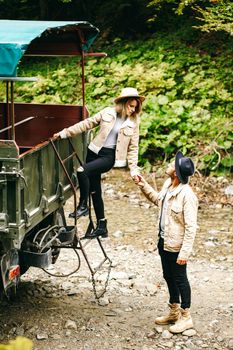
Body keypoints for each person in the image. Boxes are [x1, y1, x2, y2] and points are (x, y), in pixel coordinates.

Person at [53, 87, 145, 239]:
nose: (133, 109)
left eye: (135, 106)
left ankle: (83, 206)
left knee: (82, 171)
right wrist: (64, 133)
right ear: (123, 103)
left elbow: (134, 148)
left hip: (108, 157)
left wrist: (134, 170)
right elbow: (87, 124)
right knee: (95, 191)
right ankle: (102, 226)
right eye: (130, 105)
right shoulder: (107, 112)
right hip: (93, 152)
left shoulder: (134, 122)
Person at [135, 151, 198, 333]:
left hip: (178, 246)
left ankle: (186, 317)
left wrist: (184, 253)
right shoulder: (168, 185)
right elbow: (157, 200)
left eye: (172, 164)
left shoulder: (187, 196)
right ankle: (173, 311)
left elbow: (191, 227)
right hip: (164, 242)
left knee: (180, 279)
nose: (169, 165)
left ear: (176, 173)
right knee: (168, 276)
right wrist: (143, 184)